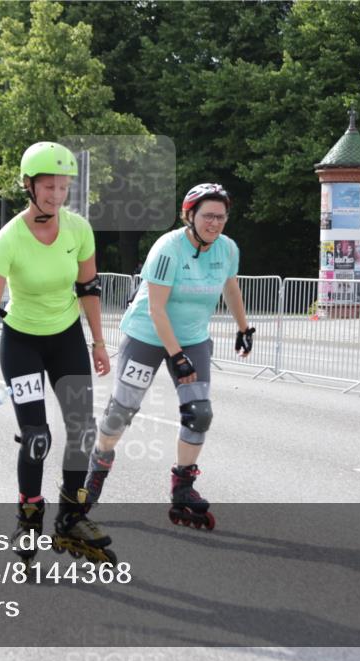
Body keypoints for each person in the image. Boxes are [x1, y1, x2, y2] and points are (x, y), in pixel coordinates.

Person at [0, 141, 113, 563]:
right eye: (48, 186)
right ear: (29, 186)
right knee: (37, 438)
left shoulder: (78, 229)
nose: (56, 194)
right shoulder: (9, 238)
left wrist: (99, 342)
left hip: (66, 338)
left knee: (83, 430)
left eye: (63, 187)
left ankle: (71, 517)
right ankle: (28, 516)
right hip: (23, 343)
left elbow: (88, 289)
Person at [83, 183, 254, 530]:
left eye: (221, 217)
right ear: (188, 216)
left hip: (192, 337)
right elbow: (157, 309)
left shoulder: (227, 249)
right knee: (121, 412)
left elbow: (230, 286)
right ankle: (98, 466)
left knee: (199, 412)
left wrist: (243, 327)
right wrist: (175, 356)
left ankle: (183, 486)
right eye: (207, 216)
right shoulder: (167, 248)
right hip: (148, 333)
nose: (215, 223)